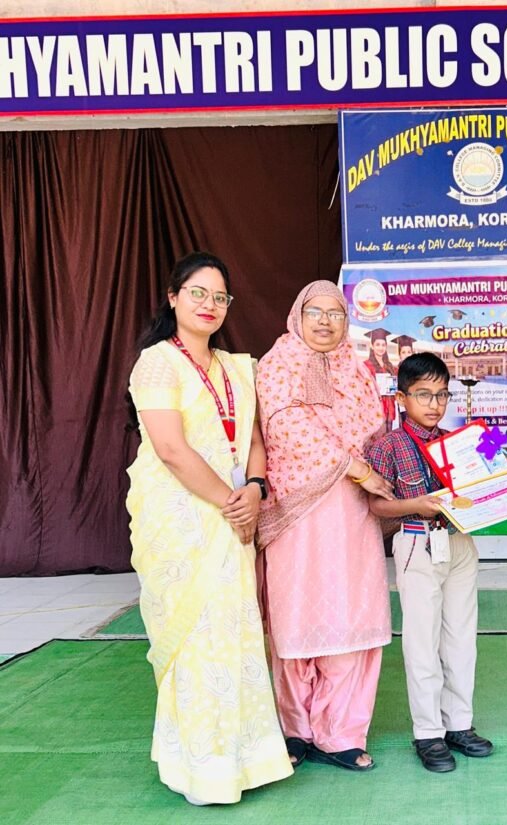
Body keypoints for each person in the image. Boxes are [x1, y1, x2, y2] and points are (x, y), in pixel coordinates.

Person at [126, 252, 293, 805]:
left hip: (234, 517)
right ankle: (200, 768)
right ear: (173, 297)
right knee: (195, 638)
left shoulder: (237, 368)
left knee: (236, 633)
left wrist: (255, 489)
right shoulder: (156, 363)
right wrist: (231, 501)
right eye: (198, 293)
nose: (209, 305)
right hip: (180, 521)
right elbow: (171, 449)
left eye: (220, 297)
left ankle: (247, 760)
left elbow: (255, 440)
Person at [256, 280, 394, 772]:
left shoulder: (356, 370)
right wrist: (355, 467)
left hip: (352, 513)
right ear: (297, 316)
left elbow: (375, 431)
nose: (324, 322)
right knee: (296, 618)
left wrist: (378, 469)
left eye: (335, 313)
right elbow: (285, 427)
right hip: (297, 512)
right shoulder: (276, 364)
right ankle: (294, 728)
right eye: (314, 312)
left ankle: (340, 733)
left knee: (349, 615)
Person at [367, 353, 494, 773]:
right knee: (422, 641)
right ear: (401, 398)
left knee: (461, 637)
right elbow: (376, 506)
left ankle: (459, 724)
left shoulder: (460, 442)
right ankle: (428, 732)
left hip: (459, 544)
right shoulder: (386, 446)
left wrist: (494, 466)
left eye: (442, 394)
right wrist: (416, 505)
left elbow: (482, 486)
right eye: (423, 394)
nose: (434, 404)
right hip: (416, 543)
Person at [363, 327, 397, 431]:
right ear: (372, 346)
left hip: (390, 408)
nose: (381, 348)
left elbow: (394, 388)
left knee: (388, 434)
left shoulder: (390, 366)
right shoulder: (366, 366)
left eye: (383, 345)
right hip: (375, 408)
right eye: (377, 344)